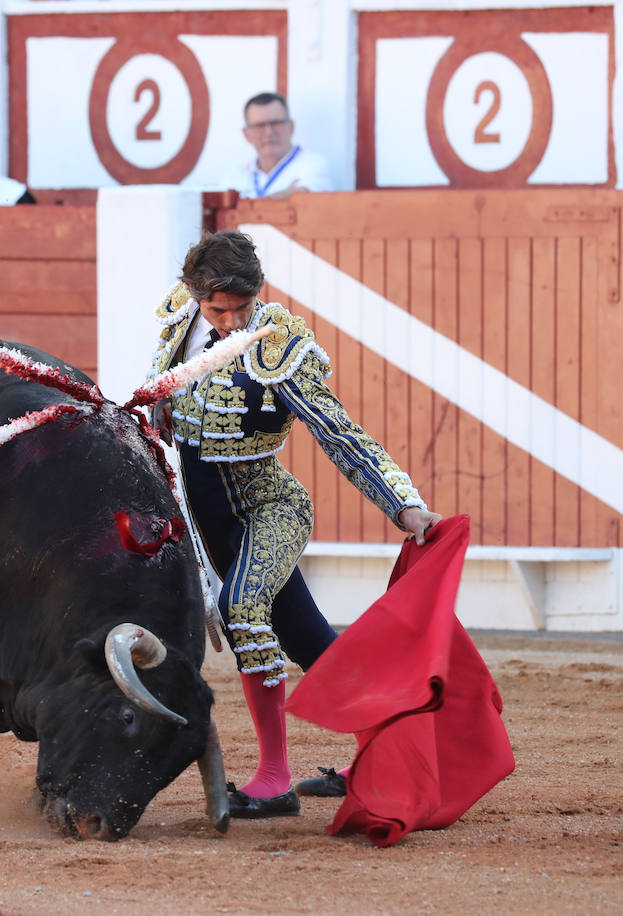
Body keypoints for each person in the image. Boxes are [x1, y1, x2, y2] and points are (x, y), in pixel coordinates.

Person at [147, 230, 441, 817]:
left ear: (258, 294)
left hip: (270, 507)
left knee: (242, 608)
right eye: (218, 309)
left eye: (242, 307)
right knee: (312, 644)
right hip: (209, 522)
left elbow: (338, 433)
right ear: (194, 296)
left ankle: (274, 779)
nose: (231, 321)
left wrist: (403, 504)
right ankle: (390, 754)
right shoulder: (180, 323)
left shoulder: (281, 345)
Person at [221, 92, 332, 200]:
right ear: (246, 134)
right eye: (259, 126)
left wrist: (242, 206)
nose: (269, 132)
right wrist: (286, 195)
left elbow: (306, 198)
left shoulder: (313, 164)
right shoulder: (235, 175)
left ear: (291, 127)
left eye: (276, 123)